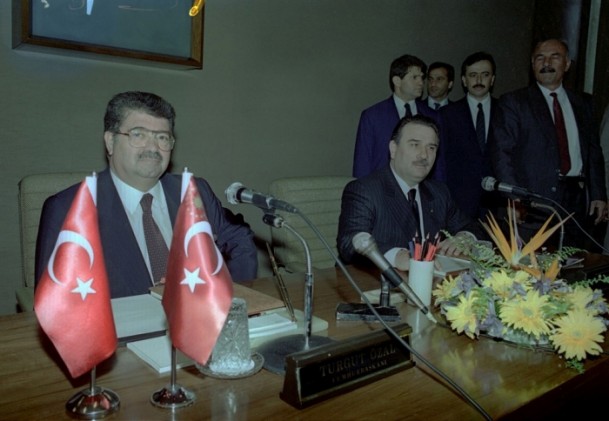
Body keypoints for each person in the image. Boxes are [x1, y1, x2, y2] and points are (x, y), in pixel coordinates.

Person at [35, 91, 258, 298]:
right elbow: (55, 300)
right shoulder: (69, 208)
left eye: (162, 137)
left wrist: (226, 298)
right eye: (138, 135)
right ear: (110, 141)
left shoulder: (193, 190)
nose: (152, 147)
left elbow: (240, 239)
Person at [488, 38, 607, 250]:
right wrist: (513, 199)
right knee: (530, 264)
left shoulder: (583, 103)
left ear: (567, 64)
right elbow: (501, 154)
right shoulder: (514, 102)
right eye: (540, 58)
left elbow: (593, 151)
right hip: (532, 203)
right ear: (532, 64)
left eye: (555, 57)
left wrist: (598, 194)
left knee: (573, 261)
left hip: (576, 201)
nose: (546, 63)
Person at [338, 115, 482, 272]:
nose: (424, 155)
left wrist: (465, 237)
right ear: (393, 149)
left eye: (431, 148)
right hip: (373, 280)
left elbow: (472, 226)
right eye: (415, 145)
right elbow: (349, 243)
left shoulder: (439, 192)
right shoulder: (364, 190)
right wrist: (398, 257)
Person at [437, 51, 502, 220]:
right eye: (473, 75)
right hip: (458, 203)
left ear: (492, 79)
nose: (479, 80)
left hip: (497, 204)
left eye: (485, 75)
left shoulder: (506, 111)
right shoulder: (447, 114)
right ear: (464, 80)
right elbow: (440, 162)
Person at [352, 54, 437, 179]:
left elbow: (439, 165)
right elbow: (362, 163)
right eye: (414, 77)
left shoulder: (433, 116)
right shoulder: (373, 116)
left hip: (422, 188)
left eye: (422, 77)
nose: (421, 82)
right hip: (382, 187)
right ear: (397, 81)